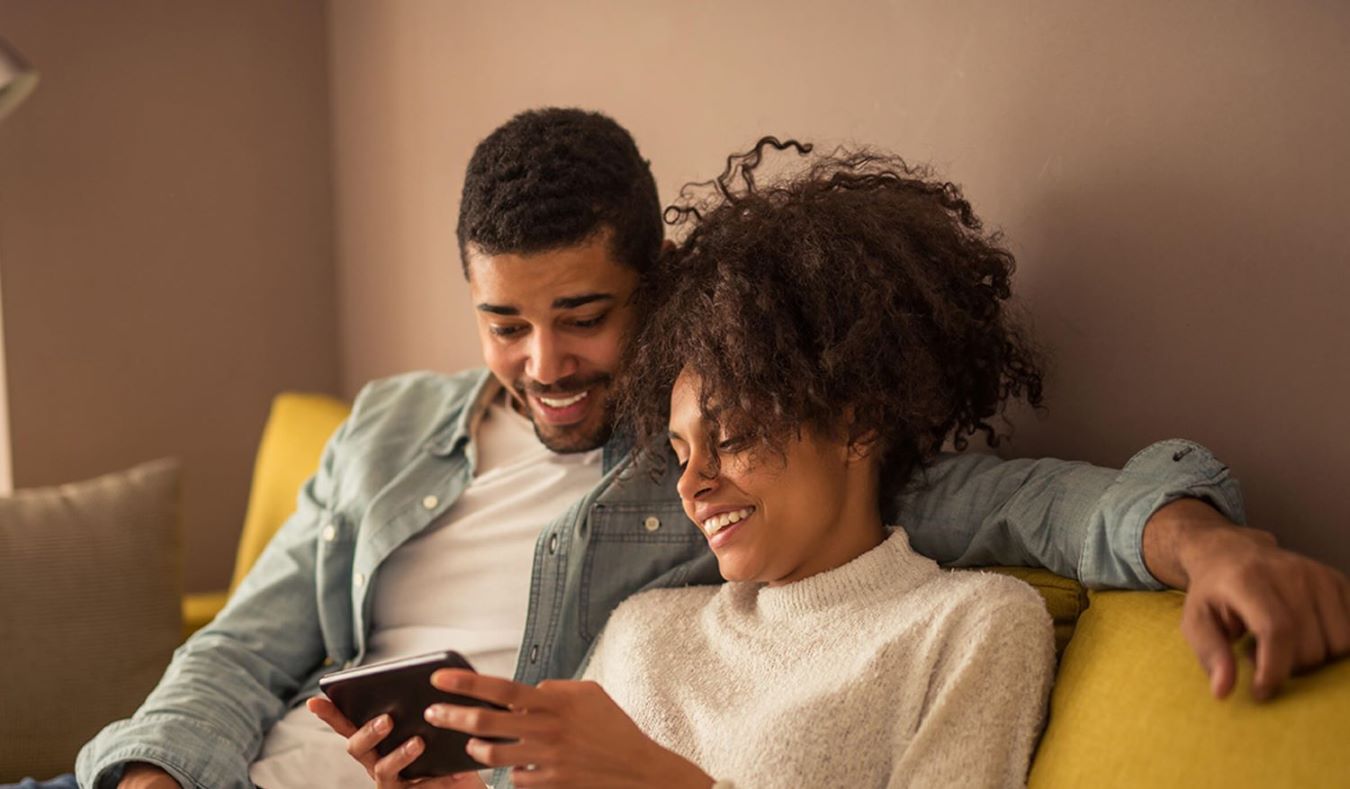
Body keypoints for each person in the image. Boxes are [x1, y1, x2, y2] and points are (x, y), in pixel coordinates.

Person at [22, 109, 1339, 789]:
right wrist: (147, 772)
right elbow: (244, 644)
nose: (543, 365)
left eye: (582, 318)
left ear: (649, 292)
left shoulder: (712, 495)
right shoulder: (389, 437)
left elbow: (1023, 504)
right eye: (504, 325)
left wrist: (1198, 534)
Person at [314, 139, 1060, 788]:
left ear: (858, 423)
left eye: (730, 437)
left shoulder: (969, 627)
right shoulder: (644, 630)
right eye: (677, 451)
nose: (691, 485)